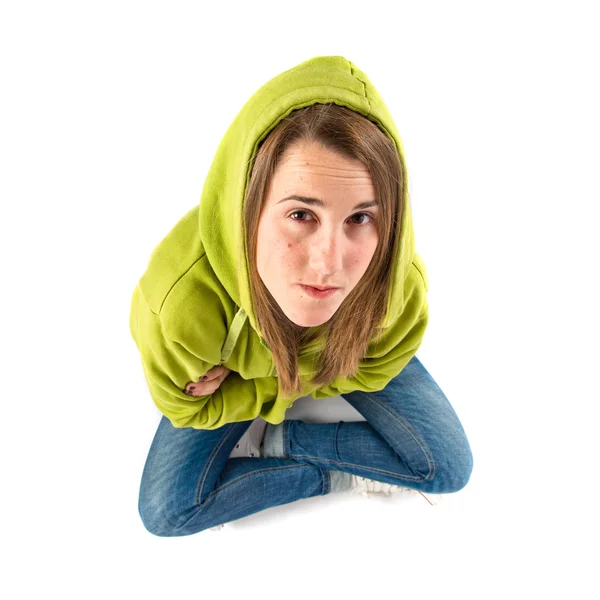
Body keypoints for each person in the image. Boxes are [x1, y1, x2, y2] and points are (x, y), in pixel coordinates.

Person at [129, 55, 474, 537]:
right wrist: (291, 379)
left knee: (448, 468)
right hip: (325, 359)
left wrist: (250, 383)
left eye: (360, 218)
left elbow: (374, 368)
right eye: (300, 215)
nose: (328, 264)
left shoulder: (395, 289)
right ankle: (328, 473)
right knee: (166, 512)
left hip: (329, 361)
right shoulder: (183, 302)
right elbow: (186, 407)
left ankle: (286, 444)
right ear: (250, 206)